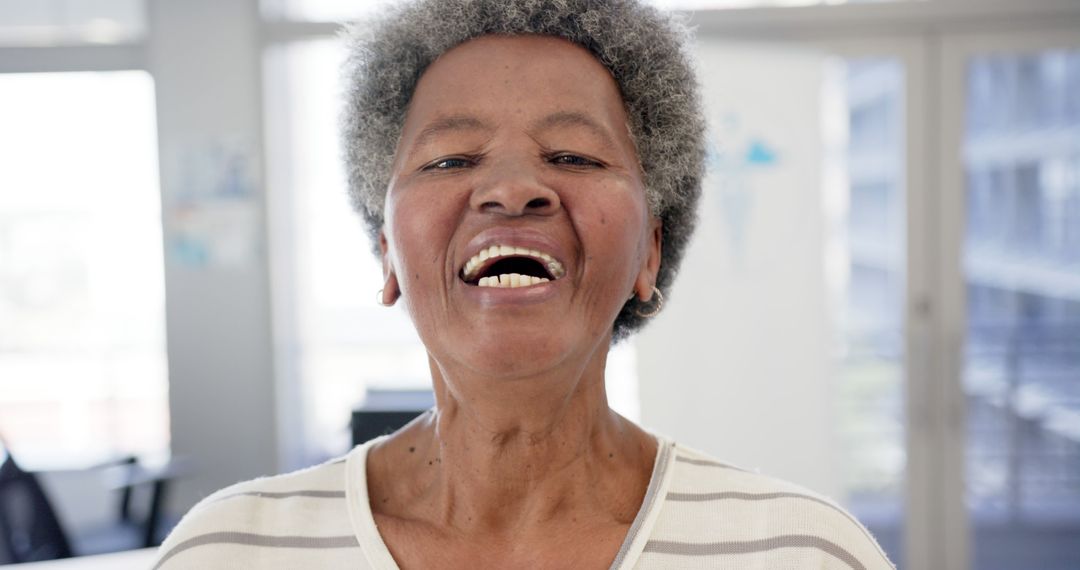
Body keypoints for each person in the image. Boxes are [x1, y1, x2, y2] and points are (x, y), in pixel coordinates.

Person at [153, 0, 894, 568]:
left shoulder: (801, 551)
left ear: (650, 251)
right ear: (386, 252)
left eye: (573, 155)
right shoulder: (226, 550)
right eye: (449, 161)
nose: (511, 189)